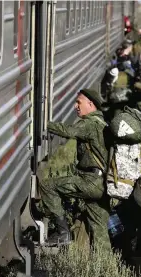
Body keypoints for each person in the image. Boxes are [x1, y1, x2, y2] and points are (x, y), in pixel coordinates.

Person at [37, 89, 110, 249]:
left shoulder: (90, 123)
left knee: (48, 186)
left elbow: (68, 131)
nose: (75, 106)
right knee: (99, 231)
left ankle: (63, 234)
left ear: (91, 104)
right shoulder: (101, 123)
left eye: (79, 102)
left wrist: (42, 123)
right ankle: (104, 267)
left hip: (90, 182)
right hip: (102, 183)